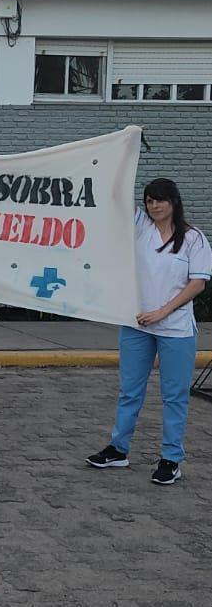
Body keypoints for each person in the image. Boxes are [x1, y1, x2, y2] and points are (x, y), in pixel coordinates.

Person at [86, 178, 211, 484]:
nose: (155, 206)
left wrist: (162, 312)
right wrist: (127, 144)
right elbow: (114, 194)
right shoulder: (141, 226)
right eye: (150, 200)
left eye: (161, 200)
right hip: (136, 325)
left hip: (175, 329)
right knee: (130, 391)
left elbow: (198, 283)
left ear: (174, 202)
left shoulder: (193, 238)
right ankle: (118, 448)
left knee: (174, 396)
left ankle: (171, 458)